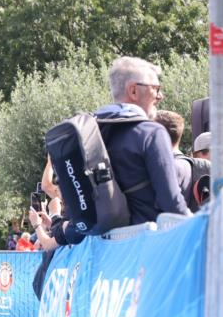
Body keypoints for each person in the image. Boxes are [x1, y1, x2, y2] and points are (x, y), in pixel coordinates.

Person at [33, 56, 190, 251]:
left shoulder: (89, 135)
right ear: (133, 90)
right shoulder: (151, 132)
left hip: (104, 255)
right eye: (155, 88)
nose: (160, 96)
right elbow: (173, 206)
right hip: (145, 251)